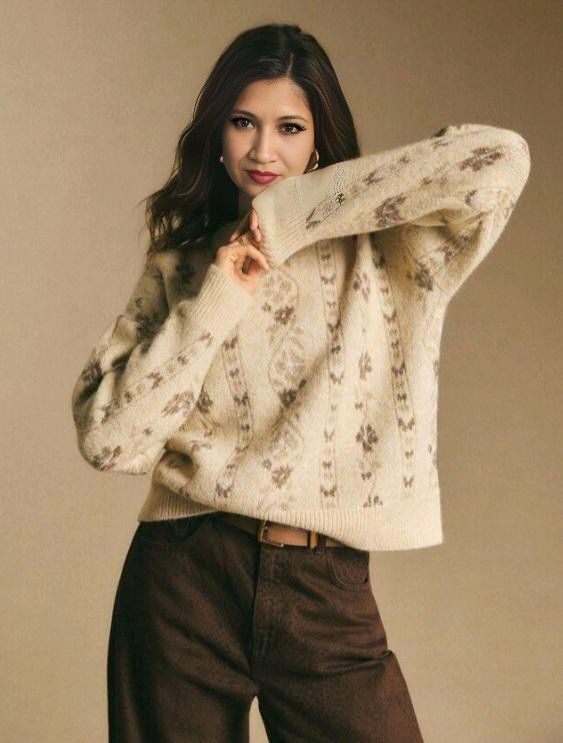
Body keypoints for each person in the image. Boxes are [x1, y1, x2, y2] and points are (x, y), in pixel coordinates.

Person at [70, 22, 531, 743]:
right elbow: (109, 441)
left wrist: (287, 217)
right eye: (243, 123)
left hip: (323, 586)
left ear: (319, 140)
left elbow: (500, 159)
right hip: (182, 580)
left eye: (289, 127)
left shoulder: (388, 249)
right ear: (217, 132)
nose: (263, 150)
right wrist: (220, 294)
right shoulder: (182, 265)